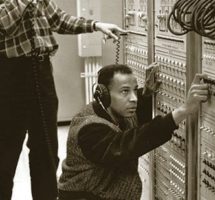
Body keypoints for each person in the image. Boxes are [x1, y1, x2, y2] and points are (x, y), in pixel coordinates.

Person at [0, 1, 127, 200]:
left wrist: (96, 25)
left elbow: (59, 20)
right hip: (10, 74)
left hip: (41, 72)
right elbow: (3, 23)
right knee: (6, 151)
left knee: (47, 150)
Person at [58, 64, 209, 200]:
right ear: (103, 94)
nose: (134, 98)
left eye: (134, 90)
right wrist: (183, 110)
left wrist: (147, 93)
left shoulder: (116, 112)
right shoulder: (89, 128)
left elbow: (136, 121)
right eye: (124, 91)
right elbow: (127, 145)